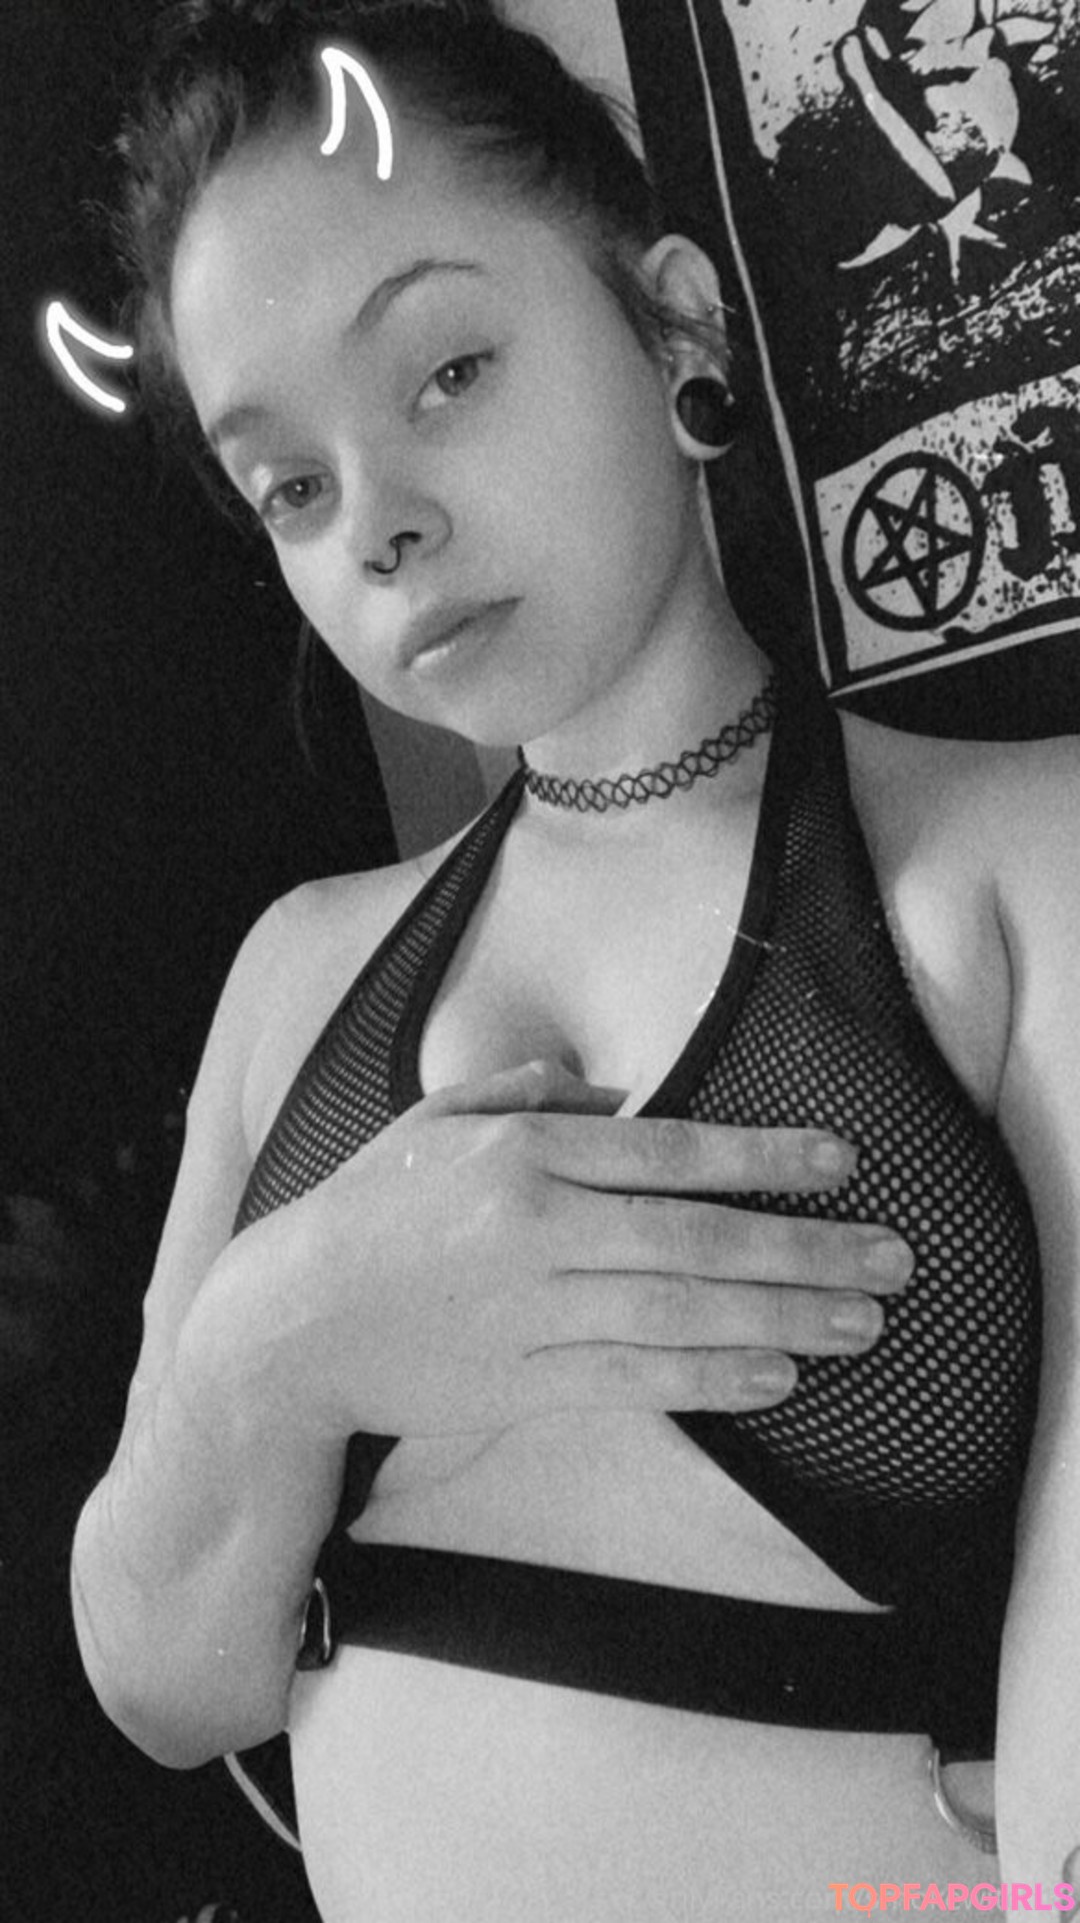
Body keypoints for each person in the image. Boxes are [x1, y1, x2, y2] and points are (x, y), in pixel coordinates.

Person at [71, 3, 1080, 1918]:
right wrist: (278, 1344)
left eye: (447, 370)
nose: (379, 527)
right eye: (292, 487)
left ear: (677, 324)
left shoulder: (1022, 864)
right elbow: (169, 1686)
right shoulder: (298, 972)